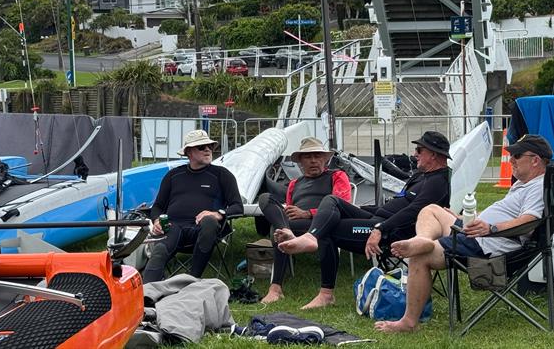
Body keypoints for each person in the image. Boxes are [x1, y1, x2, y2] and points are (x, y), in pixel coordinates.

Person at [374, 134, 552, 333]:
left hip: (487, 245)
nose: (511, 160)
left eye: (517, 156)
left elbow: (530, 221)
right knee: (431, 209)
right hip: (479, 233)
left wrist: (492, 228)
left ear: (535, 160)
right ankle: (422, 239)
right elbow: (506, 214)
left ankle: (408, 322)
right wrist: (466, 218)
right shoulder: (524, 184)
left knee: (418, 257)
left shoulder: (538, 187)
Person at [277, 131, 452, 309]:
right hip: (379, 218)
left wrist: (380, 229)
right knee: (332, 201)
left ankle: (326, 294)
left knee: (330, 229)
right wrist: (361, 210)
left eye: (419, 150)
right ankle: (310, 237)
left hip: (392, 232)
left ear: (433, 154)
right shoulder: (422, 176)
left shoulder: (438, 181)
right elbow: (399, 204)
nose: (415, 154)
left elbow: (413, 212)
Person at [258, 137, 352, 304]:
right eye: (308, 157)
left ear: (325, 159)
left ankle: (275, 287)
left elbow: (342, 204)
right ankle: (276, 287)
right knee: (266, 200)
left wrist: (308, 213)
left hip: (323, 224)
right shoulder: (294, 184)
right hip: (295, 226)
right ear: (300, 161)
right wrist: (288, 217)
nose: (314, 161)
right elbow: (289, 208)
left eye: (317, 156)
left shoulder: (337, 176)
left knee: (278, 231)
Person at [143, 129, 243, 283]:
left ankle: (191, 281)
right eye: (202, 147)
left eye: (210, 146)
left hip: (203, 230)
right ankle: (146, 294)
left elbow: (238, 207)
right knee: (160, 250)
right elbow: (157, 207)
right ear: (189, 152)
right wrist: (156, 221)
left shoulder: (222, 174)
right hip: (174, 227)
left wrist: (217, 214)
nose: (208, 149)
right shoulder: (173, 175)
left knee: (209, 222)